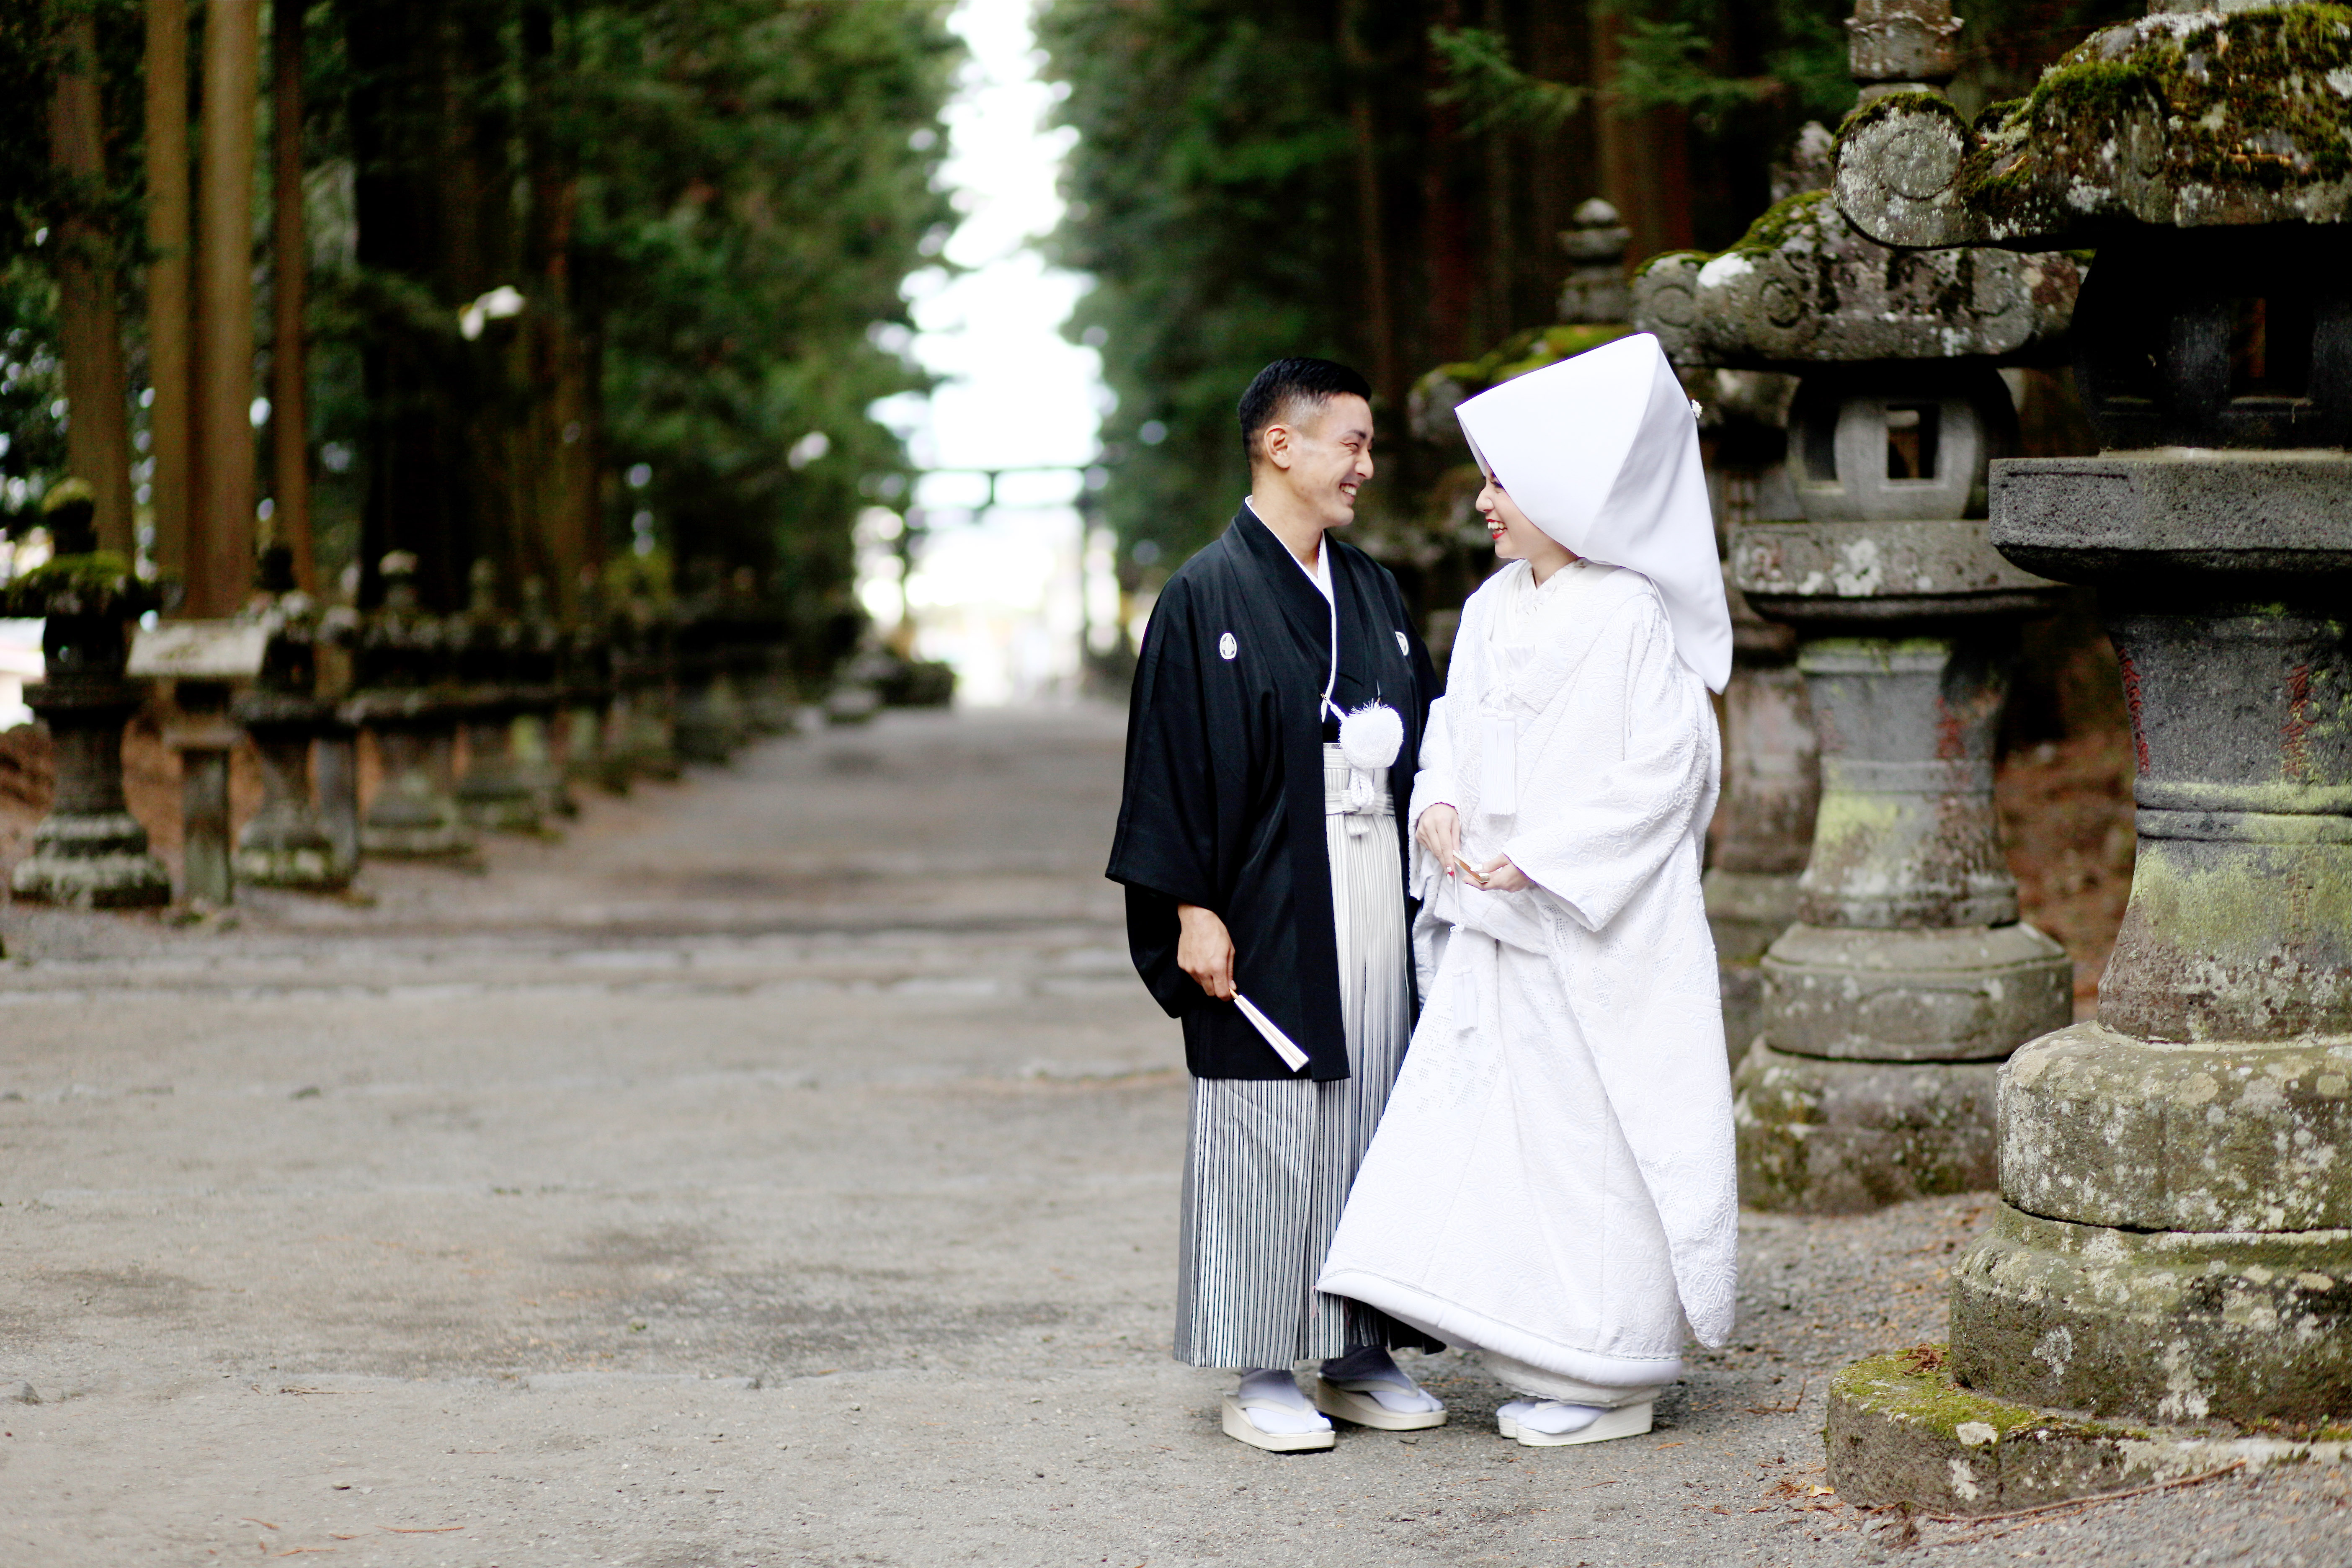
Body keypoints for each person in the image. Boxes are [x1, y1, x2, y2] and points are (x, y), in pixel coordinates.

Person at [1315, 332, 1739, 1449]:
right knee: (1504, 1137)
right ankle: (1544, 1349)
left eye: (1504, 481)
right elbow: (1454, 727)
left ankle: (1614, 1370)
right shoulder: (1501, 606)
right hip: (1495, 916)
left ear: (1565, 489)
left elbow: (1670, 770)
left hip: (1594, 929)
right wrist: (1442, 804)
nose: (1487, 504)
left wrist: (1546, 854)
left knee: (1597, 1140)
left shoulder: (1635, 614)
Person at [1106, 357, 1449, 1452]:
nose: (1366, 464)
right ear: (1279, 445)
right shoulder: (1206, 594)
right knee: (1267, 1124)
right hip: (1261, 897)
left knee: (1375, 1111)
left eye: (1368, 445)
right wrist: (1186, 907)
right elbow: (1164, 767)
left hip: (1373, 892)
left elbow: (1434, 734)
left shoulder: (1376, 590)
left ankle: (1359, 1351)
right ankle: (1260, 1367)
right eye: (1350, 441)